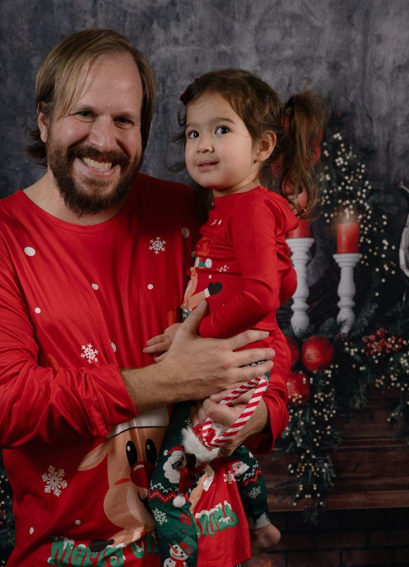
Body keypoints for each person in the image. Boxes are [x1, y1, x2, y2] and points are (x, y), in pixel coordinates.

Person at [0, 30, 286, 567]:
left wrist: (261, 416)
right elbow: (5, 405)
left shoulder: (191, 214)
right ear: (44, 119)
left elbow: (266, 332)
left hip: (213, 548)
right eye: (83, 114)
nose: (104, 140)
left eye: (124, 121)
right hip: (74, 554)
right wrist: (168, 380)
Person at [144, 69, 328, 566]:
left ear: (263, 145)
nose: (203, 145)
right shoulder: (233, 205)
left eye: (222, 130)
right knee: (219, 449)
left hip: (236, 359)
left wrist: (192, 332)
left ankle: (178, 559)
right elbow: (283, 281)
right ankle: (262, 526)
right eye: (193, 133)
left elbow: (264, 293)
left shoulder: (247, 207)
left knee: (167, 481)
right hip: (238, 357)